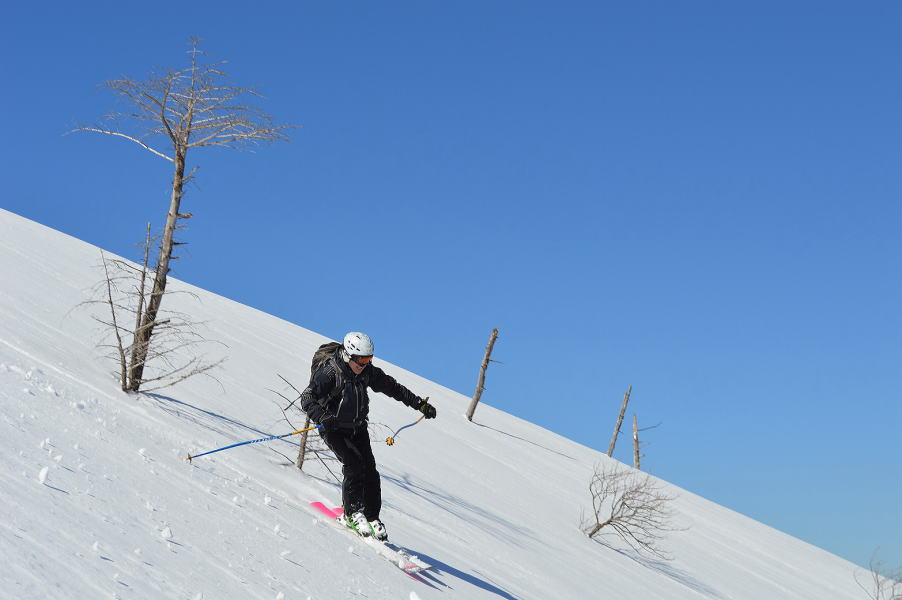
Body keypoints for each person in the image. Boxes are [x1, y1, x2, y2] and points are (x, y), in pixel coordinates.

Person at [300, 331, 436, 541]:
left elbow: (394, 388)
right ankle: (352, 513)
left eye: (369, 359)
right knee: (353, 464)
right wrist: (323, 416)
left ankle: (372, 517)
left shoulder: (367, 372)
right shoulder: (329, 372)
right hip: (333, 427)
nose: (364, 364)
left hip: (357, 427)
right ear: (348, 355)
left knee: (370, 471)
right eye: (362, 360)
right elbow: (308, 397)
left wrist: (420, 404)